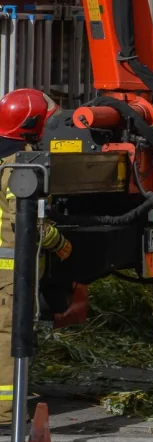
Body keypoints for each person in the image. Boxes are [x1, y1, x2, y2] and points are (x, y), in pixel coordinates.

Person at [0, 89, 71, 429]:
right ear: (32, 125)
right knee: (9, 336)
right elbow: (27, 221)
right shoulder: (21, 162)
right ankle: (5, 414)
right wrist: (60, 243)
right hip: (10, 269)